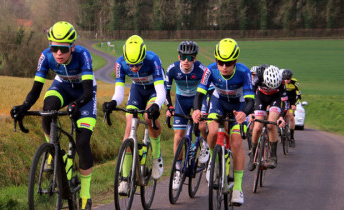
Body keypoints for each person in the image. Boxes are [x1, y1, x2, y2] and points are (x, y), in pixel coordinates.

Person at [10, 21, 96, 210]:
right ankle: (53, 152)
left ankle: (85, 194)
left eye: (63, 49)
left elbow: (89, 92)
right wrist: (24, 106)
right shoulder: (46, 56)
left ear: (72, 47)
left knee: (82, 142)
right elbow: (36, 89)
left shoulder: (83, 55)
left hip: (83, 94)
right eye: (54, 48)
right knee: (47, 109)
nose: (58, 53)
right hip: (62, 87)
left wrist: (77, 105)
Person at [192, 38, 255, 206]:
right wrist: (197, 110)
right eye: (220, 62)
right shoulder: (210, 70)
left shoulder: (244, 72)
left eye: (228, 63)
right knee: (212, 131)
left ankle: (238, 188)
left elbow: (250, 100)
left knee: (235, 143)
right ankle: (213, 160)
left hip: (239, 106)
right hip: (219, 103)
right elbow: (199, 93)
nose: (224, 67)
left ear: (235, 61)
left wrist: (244, 113)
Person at [102, 35, 166, 194]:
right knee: (129, 127)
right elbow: (119, 93)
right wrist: (112, 103)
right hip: (137, 91)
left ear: (143, 57)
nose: (134, 69)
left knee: (148, 116)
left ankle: (157, 157)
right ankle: (124, 179)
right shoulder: (120, 63)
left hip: (154, 91)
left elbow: (160, 91)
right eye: (131, 65)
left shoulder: (153, 60)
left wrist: (157, 105)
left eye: (137, 64)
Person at [165, 41, 210, 190]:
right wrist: (169, 107)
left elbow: (209, 91)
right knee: (178, 135)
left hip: (198, 99)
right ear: (179, 56)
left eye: (190, 58)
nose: (186, 61)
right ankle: (178, 170)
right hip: (181, 100)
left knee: (202, 124)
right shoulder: (172, 69)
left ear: (194, 59)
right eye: (183, 57)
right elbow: (166, 90)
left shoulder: (202, 69)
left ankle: (205, 144)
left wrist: (206, 109)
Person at [248, 65, 287, 172]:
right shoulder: (258, 77)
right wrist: (251, 113)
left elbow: (285, 102)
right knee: (257, 127)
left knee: (271, 124)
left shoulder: (282, 82)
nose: (270, 88)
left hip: (275, 99)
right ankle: (253, 154)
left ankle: (273, 156)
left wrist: (282, 118)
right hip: (260, 98)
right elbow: (250, 95)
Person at [282, 69, 301, 147]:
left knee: (292, 118)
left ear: (291, 77)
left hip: (292, 101)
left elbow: (299, 96)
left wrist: (294, 104)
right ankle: (281, 130)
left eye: (288, 79)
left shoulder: (295, 83)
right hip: (283, 99)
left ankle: (292, 137)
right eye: (285, 79)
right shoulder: (281, 82)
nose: (286, 81)